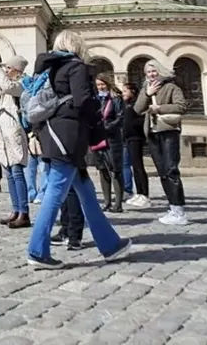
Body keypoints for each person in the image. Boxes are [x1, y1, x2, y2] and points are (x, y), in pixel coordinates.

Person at [26, 30, 133, 269]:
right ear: (77, 45)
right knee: (55, 192)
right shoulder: (77, 67)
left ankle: (110, 243)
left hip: (56, 132)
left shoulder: (53, 68)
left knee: (85, 189)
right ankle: (37, 250)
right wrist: (97, 115)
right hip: (69, 135)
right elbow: (83, 100)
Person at [134, 60, 188, 225]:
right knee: (162, 171)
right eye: (148, 72)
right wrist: (147, 94)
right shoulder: (146, 89)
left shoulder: (171, 87)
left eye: (154, 71)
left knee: (171, 169)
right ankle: (172, 207)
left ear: (161, 71)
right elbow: (137, 109)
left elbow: (181, 106)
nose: (151, 74)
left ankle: (179, 210)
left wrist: (160, 108)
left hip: (168, 131)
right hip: (152, 133)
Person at [0, 56, 31, 227]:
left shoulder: (23, 83)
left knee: (17, 172)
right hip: (3, 133)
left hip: (14, 132)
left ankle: (24, 213)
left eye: (8, 68)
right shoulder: (6, 88)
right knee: (9, 174)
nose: (5, 70)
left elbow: (8, 87)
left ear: (17, 70)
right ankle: (16, 210)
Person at [91, 74, 125, 212]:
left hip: (112, 139)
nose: (100, 87)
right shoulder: (95, 99)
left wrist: (107, 127)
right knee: (102, 169)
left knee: (115, 170)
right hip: (98, 138)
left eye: (102, 84)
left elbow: (120, 117)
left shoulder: (116, 99)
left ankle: (118, 203)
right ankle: (107, 202)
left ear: (108, 83)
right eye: (98, 85)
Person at [119, 81, 150, 207]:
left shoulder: (137, 104)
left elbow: (140, 120)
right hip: (128, 138)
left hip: (136, 137)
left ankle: (145, 195)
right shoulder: (126, 104)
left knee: (138, 166)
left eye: (125, 91)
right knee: (133, 166)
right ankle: (139, 193)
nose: (123, 94)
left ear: (133, 91)